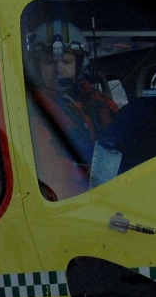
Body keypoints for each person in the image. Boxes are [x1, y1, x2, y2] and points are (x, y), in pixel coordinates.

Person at [24, 18, 119, 200]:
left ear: (79, 63)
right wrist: (96, 175)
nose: (58, 69)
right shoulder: (31, 112)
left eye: (66, 61)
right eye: (49, 63)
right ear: (37, 67)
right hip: (68, 204)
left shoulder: (102, 104)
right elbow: (46, 166)